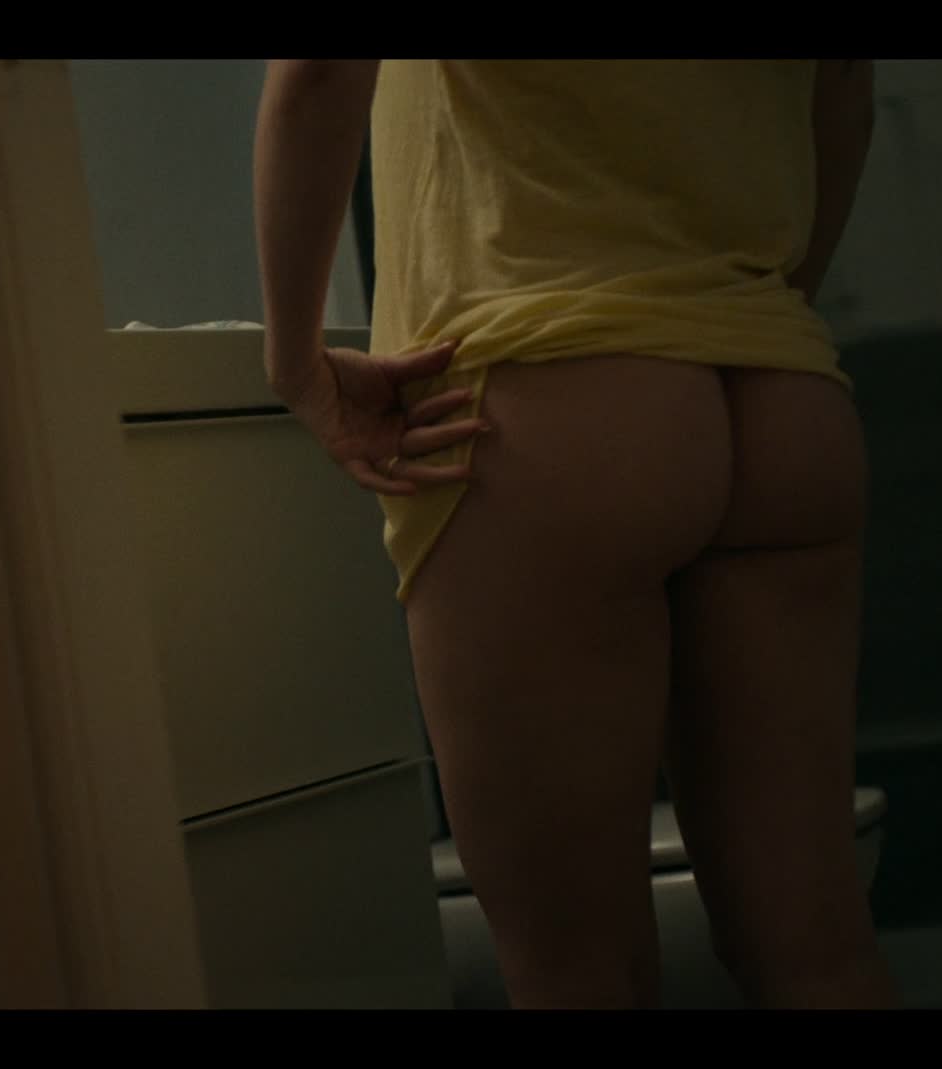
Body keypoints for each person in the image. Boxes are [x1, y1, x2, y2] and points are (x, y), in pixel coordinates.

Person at [253, 59, 895, 1009]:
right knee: (819, 956)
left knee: (579, 974)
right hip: (778, 393)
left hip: (546, 396)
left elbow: (317, 73)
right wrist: (751, 310)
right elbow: (844, 92)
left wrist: (294, 361)